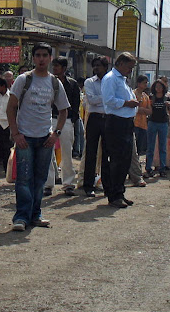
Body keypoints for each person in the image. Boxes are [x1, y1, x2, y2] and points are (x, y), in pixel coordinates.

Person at [7, 42, 70, 231]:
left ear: (50, 58)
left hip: (45, 139)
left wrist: (56, 133)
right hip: (25, 138)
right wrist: (16, 133)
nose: (41, 59)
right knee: (24, 179)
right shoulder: (23, 80)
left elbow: (64, 111)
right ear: (33, 58)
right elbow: (11, 107)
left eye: (45, 55)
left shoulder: (54, 82)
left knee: (40, 179)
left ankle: (35, 215)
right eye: (38, 55)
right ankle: (21, 217)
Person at [101, 52, 139, 207]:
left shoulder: (122, 80)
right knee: (116, 160)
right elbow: (109, 100)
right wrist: (126, 103)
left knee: (125, 160)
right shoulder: (110, 79)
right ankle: (113, 195)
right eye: (129, 67)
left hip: (126, 122)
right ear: (121, 63)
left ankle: (120, 192)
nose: (130, 71)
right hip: (115, 123)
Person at [45, 57, 80, 196]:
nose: (55, 69)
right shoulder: (48, 82)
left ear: (64, 68)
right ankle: (48, 184)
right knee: (48, 152)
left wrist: (72, 120)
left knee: (66, 152)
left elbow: (76, 104)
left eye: (57, 66)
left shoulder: (72, 84)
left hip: (67, 120)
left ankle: (68, 184)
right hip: (50, 119)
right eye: (54, 66)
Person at [82, 57, 108, 197]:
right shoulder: (89, 82)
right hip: (94, 118)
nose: (96, 68)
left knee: (106, 153)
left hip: (108, 119)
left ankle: (105, 183)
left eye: (99, 65)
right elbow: (91, 100)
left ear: (105, 67)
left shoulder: (110, 81)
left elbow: (112, 101)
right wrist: (107, 97)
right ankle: (88, 185)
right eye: (95, 66)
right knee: (91, 152)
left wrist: (102, 98)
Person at [145, 80, 170, 178]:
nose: (158, 89)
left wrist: (169, 106)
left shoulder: (166, 97)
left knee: (162, 147)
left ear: (163, 88)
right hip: (152, 122)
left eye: (160, 87)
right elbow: (148, 109)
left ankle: (162, 168)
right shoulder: (151, 97)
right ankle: (148, 168)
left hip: (163, 123)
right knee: (150, 147)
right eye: (157, 87)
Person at [133, 75, 151, 156]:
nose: (145, 85)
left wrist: (142, 110)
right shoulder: (133, 94)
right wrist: (140, 109)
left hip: (143, 125)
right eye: (144, 83)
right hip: (134, 123)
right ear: (138, 83)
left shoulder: (145, 97)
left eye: (146, 83)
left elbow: (150, 111)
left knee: (140, 147)